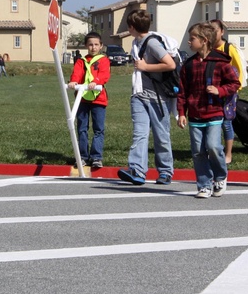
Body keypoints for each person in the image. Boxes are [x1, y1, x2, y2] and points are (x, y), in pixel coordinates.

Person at [177, 22, 240, 198]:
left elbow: (235, 83)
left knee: (213, 146)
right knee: (198, 151)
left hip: (214, 113)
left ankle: (220, 176)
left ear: (204, 41)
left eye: (192, 39)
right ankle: (204, 184)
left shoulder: (220, 62)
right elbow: (182, 91)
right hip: (195, 116)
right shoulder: (188, 65)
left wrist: (219, 91)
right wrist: (182, 113)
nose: (189, 42)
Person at [117, 10, 176, 186]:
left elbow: (170, 64)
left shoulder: (151, 43)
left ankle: (165, 171)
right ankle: (136, 170)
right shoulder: (137, 42)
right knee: (140, 134)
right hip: (139, 94)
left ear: (132, 27)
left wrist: (145, 66)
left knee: (161, 135)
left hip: (157, 97)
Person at [68, 31, 111, 170]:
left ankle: (96, 156)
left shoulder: (104, 60)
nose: (93, 47)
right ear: (86, 46)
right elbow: (77, 73)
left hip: (99, 99)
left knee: (98, 129)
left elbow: (105, 74)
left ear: (101, 46)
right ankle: (82, 156)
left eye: (96, 44)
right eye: (90, 44)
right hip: (82, 99)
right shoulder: (81, 61)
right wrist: (73, 82)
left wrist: (96, 81)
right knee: (82, 128)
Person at [210, 19, 245, 164]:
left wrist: (235, 88)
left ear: (222, 32)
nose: (212, 34)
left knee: (226, 122)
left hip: (228, 91)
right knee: (213, 121)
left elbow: (239, 69)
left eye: (215, 31)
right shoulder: (208, 48)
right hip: (212, 90)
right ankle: (213, 150)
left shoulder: (229, 49)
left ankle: (228, 153)